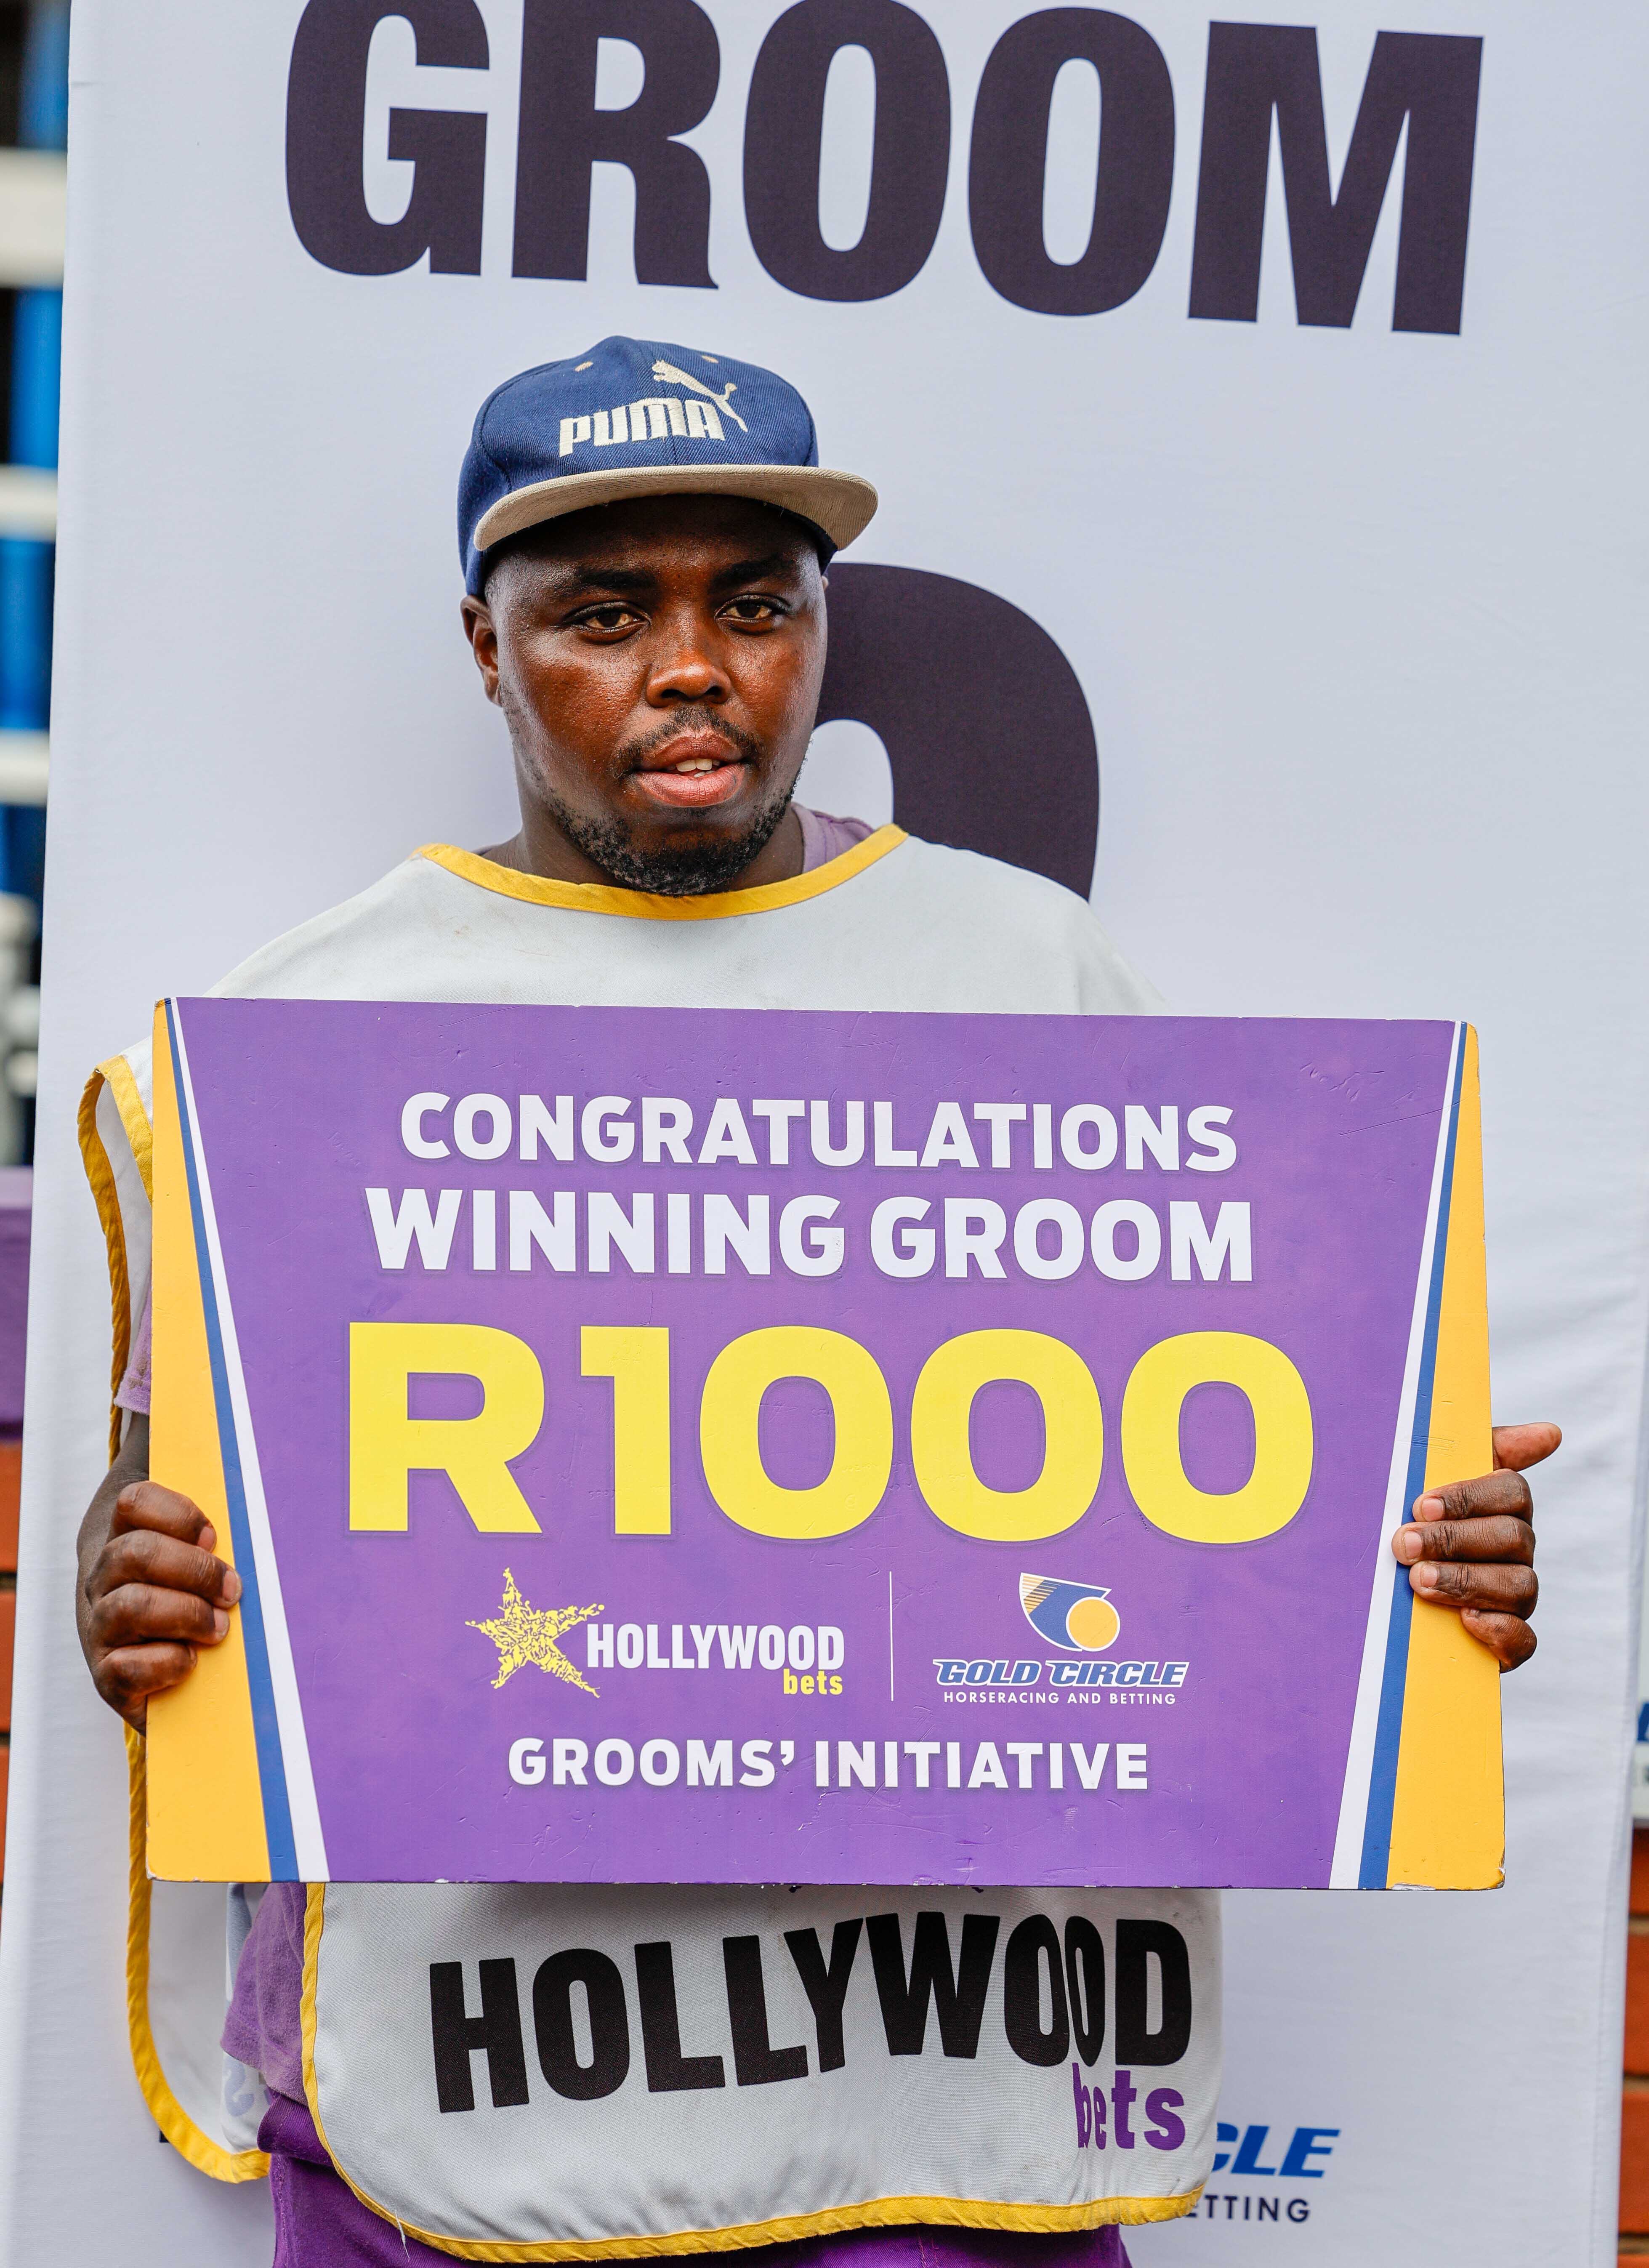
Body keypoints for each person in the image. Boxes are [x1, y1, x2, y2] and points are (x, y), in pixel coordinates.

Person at [73, 336, 1549, 2265]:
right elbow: (153, 1510)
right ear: (487, 646)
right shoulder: (305, 1030)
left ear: (818, 637)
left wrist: (1409, 1560)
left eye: (755, 606)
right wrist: (137, 1584)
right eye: (605, 613)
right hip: (466, 2102)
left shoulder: (1030, 971)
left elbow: (1206, 1501)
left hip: (938, 2096)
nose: (693, 665)